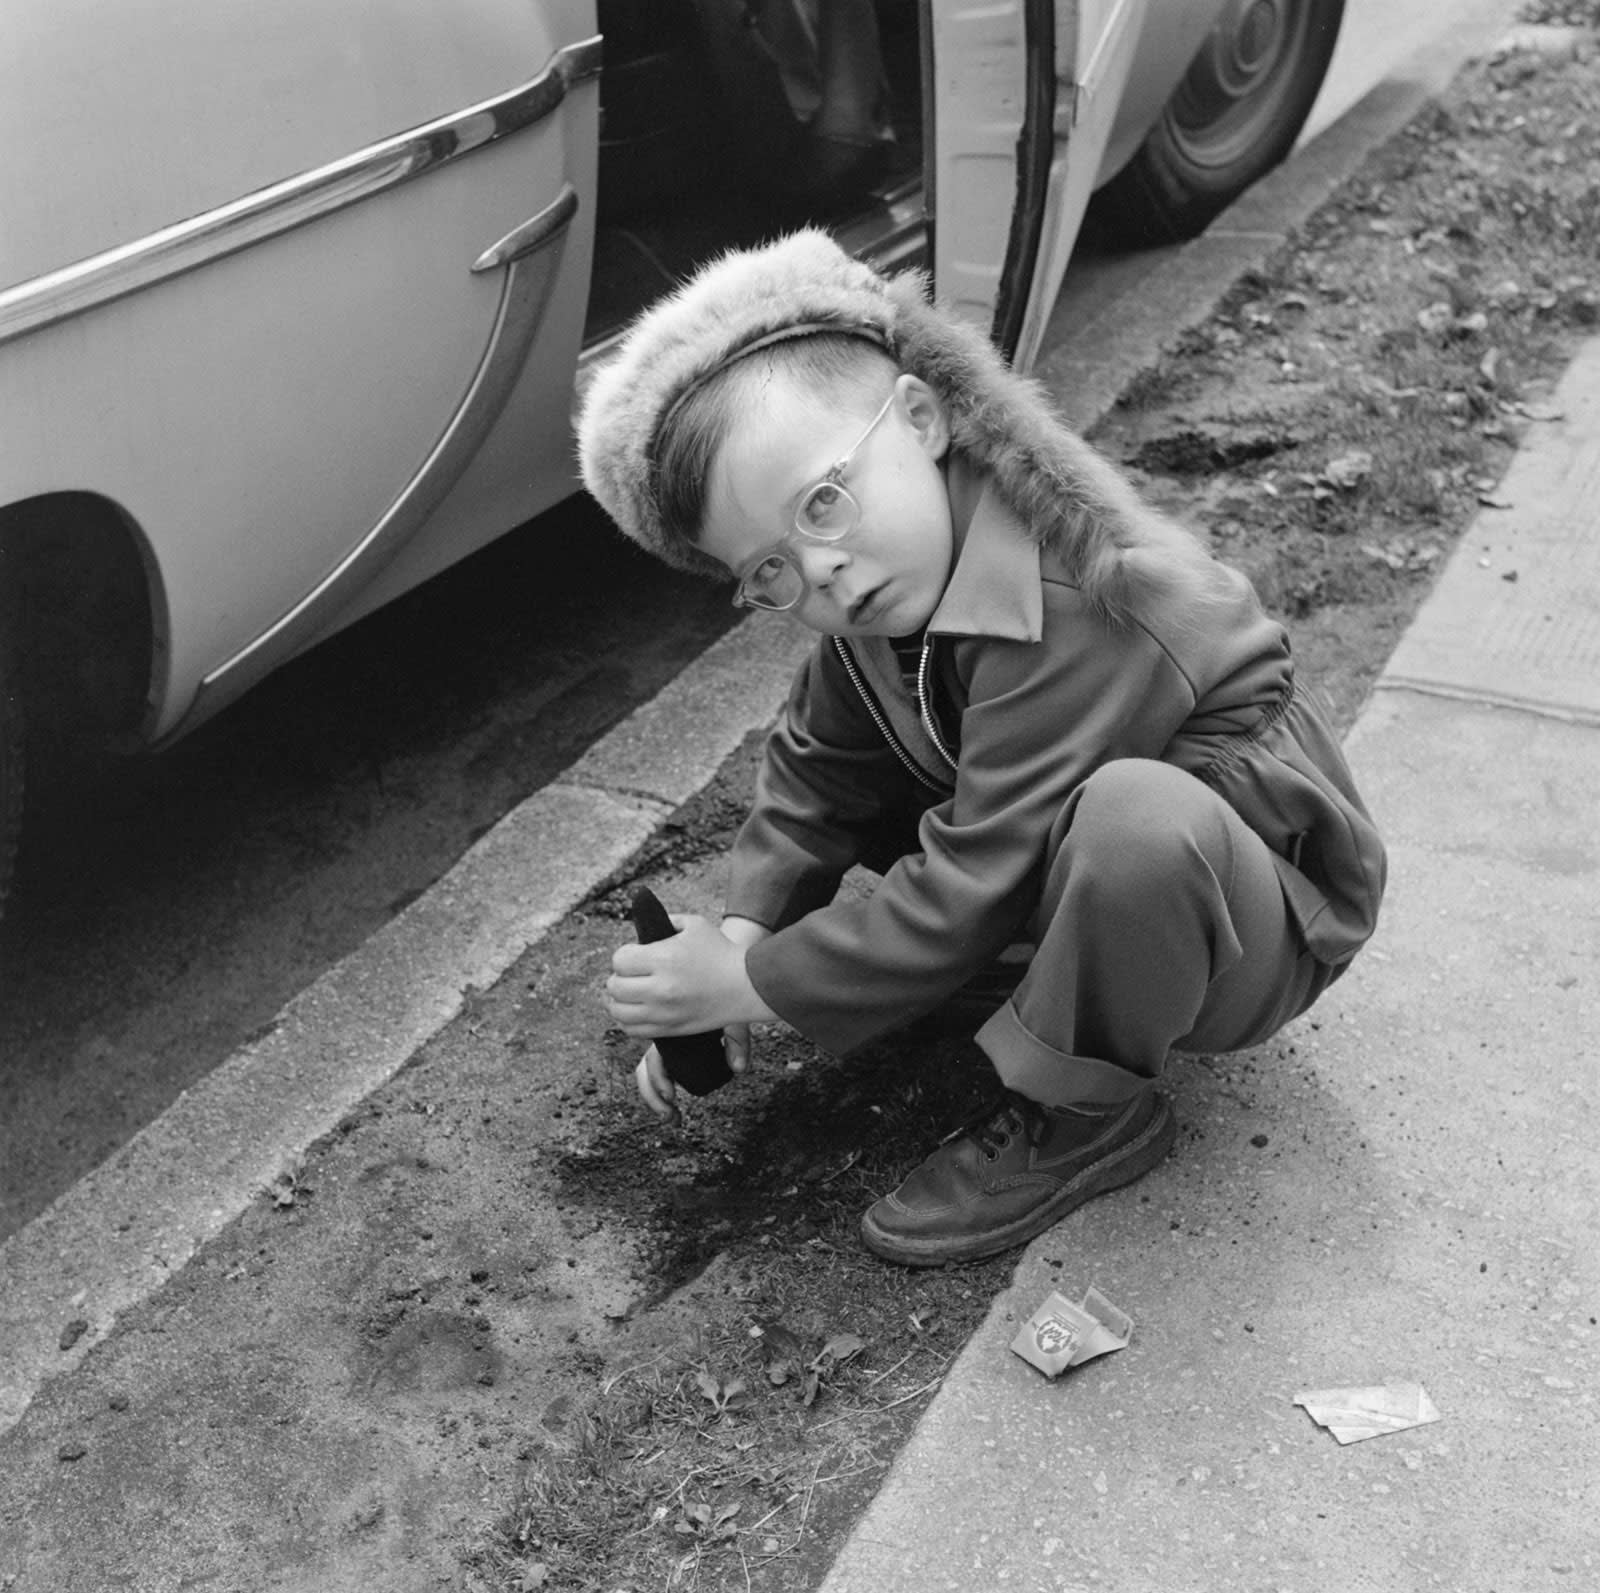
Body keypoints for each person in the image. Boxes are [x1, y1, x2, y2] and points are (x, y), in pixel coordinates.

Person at [577, 229, 1386, 1268]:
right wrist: (742, 935)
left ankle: (1084, 1113)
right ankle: (1036, 975)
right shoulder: (885, 579)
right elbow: (816, 772)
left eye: (824, 500)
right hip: (1076, 858)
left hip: (1255, 911)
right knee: (895, 765)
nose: (820, 570)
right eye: (769, 569)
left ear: (921, 417)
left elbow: (972, 883)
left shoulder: (1078, 595)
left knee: (1135, 824)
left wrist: (752, 989)